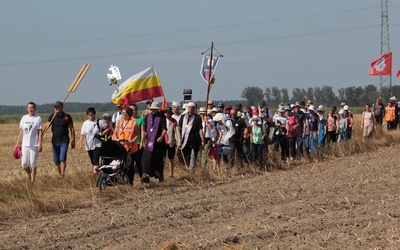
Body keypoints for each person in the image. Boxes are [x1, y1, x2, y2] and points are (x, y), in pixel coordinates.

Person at [45, 101, 75, 178]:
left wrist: (73, 139)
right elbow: (46, 126)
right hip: (54, 141)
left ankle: (62, 175)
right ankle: (59, 174)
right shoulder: (52, 116)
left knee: (62, 158)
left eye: (57, 107)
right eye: (55, 107)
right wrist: (41, 134)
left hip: (64, 141)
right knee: (56, 161)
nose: (56, 108)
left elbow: (71, 128)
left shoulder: (67, 116)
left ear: (62, 107)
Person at [15, 102, 43, 184]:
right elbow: (21, 131)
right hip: (25, 145)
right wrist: (17, 143)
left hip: (34, 144)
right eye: (29, 108)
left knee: (33, 163)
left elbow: (40, 132)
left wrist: (40, 143)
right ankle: (30, 175)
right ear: (27, 109)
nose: (30, 109)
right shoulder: (24, 118)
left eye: (32, 108)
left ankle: (32, 182)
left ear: (35, 108)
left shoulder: (38, 118)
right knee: (24, 164)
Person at [141, 101, 167, 182]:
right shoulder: (147, 117)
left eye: (156, 109)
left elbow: (164, 129)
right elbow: (144, 130)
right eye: (153, 109)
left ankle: (159, 176)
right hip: (149, 142)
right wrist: (143, 140)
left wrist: (162, 136)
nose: (154, 111)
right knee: (147, 159)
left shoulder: (162, 117)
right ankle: (146, 175)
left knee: (158, 160)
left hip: (158, 143)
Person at [114, 107, 139, 185]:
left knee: (129, 165)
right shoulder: (118, 122)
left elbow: (137, 134)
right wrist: (116, 139)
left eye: (125, 113)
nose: (123, 114)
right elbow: (115, 132)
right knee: (120, 165)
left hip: (130, 148)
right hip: (120, 147)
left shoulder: (134, 122)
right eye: (122, 113)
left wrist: (132, 141)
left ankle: (130, 182)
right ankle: (121, 180)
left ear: (129, 114)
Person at [79, 107, 107, 173]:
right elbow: (82, 134)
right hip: (88, 145)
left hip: (98, 144)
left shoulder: (99, 122)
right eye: (89, 115)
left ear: (94, 114)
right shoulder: (85, 123)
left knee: (95, 160)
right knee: (92, 161)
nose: (90, 116)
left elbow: (109, 127)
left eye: (92, 114)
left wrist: (103, 133)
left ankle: (96, 174)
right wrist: (81, 144)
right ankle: (97, 171)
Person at [178, 102, 204, 174]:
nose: (191, 109)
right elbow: (179, 128)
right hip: (184, 140)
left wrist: (202, 140)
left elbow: (200, 129)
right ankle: (184, 169)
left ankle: (191, 172)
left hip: (194, 140)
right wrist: (178, 140)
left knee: (193, 156)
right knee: (183, 155)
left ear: (195, 109)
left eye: (192, 108)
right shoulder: (183, 117)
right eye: (189, 107)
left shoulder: (197, 117)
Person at [163, 105, 181, 177]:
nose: (166, 114)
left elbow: (177, 132)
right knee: (163, 158)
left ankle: (171, 174)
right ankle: (162, 173)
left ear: (170, 113)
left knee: (171, 158)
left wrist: (179, 141)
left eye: (167, 113)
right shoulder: (162, 120)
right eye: (165, 113)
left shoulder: (173, 121)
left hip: (171, 141)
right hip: (163, 142)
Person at [129, 103, 145, 181]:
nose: (132, 111)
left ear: (136, 110)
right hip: (129, 145)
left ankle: (141, 177)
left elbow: (142, 131)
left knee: (138, 161)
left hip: (138, 143)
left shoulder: (140, 120)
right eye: (131, 110)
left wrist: (142, 141)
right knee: (130, 162)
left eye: (134, 110)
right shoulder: (128, 120)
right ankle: (130, 180)